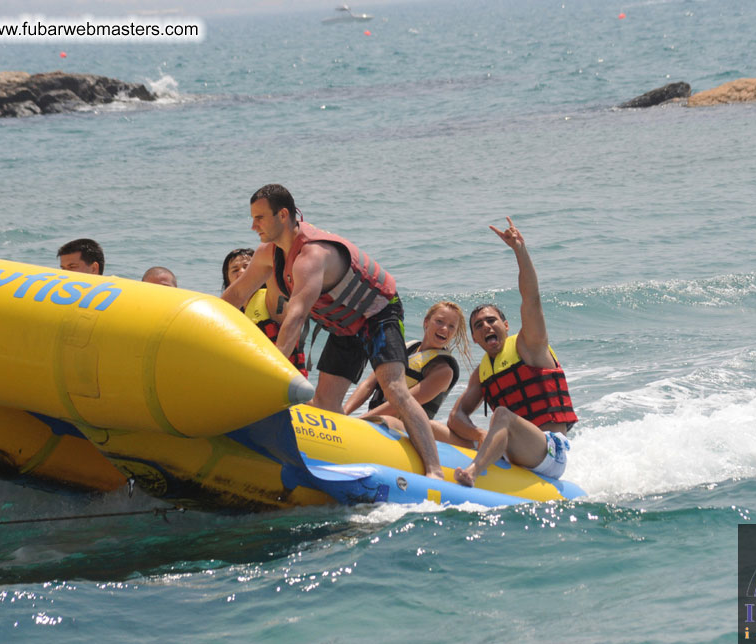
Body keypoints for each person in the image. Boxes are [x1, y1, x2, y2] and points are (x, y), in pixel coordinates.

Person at [221, 183, 444, 480]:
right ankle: (343, 459)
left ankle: (434, 469)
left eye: (260, 218)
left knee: (394, 388)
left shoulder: (312, 257)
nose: (253, 226)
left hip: (378, 314)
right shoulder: (268, 254)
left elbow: (296, 316)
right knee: (325, 402)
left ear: (283, 215)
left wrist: (268, 371)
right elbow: (234, 297)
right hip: (343, 327)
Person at [449, 217, 578, 487]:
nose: (486, 326)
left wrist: (519, 250)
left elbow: (531, 298)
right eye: (478, 325)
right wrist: (480, 434)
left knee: (503, 415)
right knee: (437, 428)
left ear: (506, 326)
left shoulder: (529, 345)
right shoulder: (482, 373)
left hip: (550, 453)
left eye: (491, 320)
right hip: (513, 449)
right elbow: (456, 417)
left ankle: (472, 473)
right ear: (474, 338)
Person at [344, 301, 468, 420]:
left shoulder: (443, 371)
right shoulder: (404, 348)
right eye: (439, 321)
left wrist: (361, 420)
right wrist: (343, 414)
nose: (445, 329)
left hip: (404, 430)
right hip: (375, 421)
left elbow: (403, 403)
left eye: (452, 326)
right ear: (426, 322)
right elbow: (368, 385)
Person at [222, 247, 308, 377]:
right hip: (256, 380)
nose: (242, 272)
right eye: (235, 270)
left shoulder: (270, 299)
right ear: (227, 279)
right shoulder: (234, 313)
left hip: (288, 380)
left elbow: (272, 264)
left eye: (247, 267)